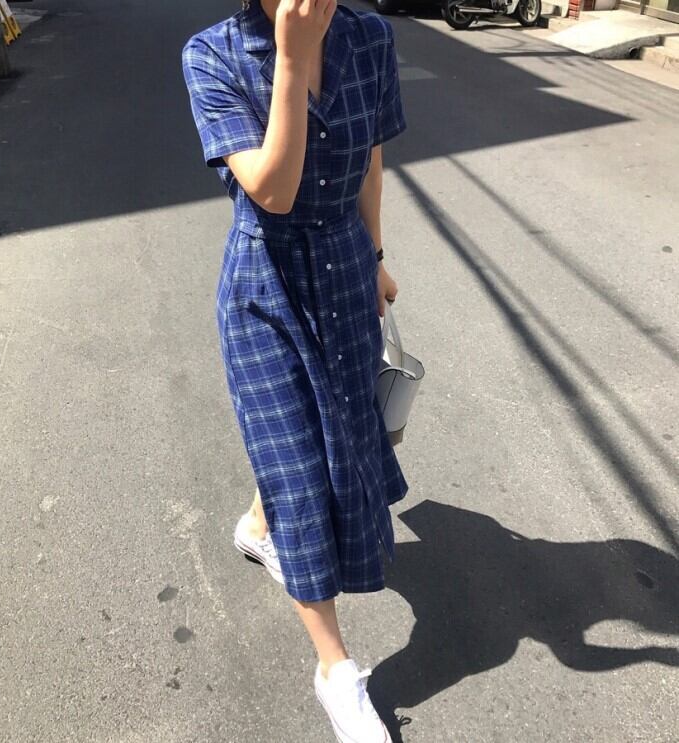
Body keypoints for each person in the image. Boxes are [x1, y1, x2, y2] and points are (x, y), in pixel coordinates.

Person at [182, 1, 409, 739]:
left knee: (333, 439)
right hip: (265, 286)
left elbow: (369, 159)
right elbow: (274, 192)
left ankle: (258, 521)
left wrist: (375, 257)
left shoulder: (370, 38)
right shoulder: (213, 55)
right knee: (300, 476)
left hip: (344, 266)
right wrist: (290, 54)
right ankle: (334, 669)